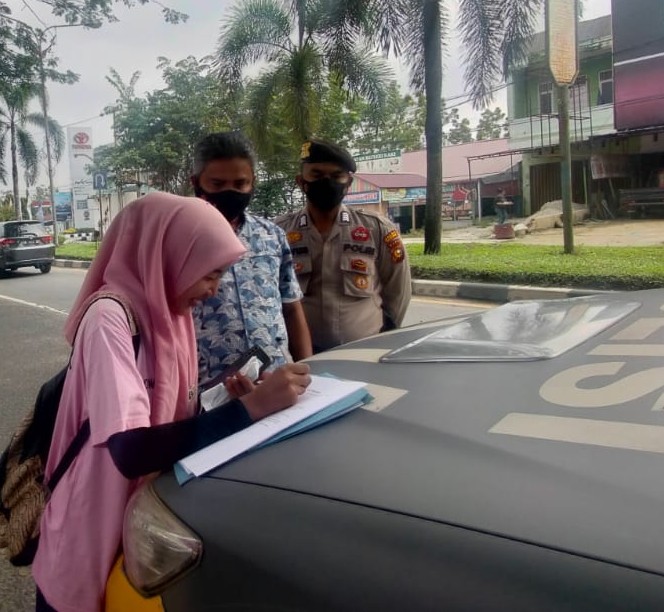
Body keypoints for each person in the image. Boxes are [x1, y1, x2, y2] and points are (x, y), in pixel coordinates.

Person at [32, 193, 312, 612]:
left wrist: (229, 406)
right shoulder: (109, 318)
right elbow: (131, 449)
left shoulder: (171, 316)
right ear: (169, 255)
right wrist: (250, 411)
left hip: (142, 521)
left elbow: (168, 419)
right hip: (93, 524)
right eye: (210, 274)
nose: (214, 291)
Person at [189, 132, 312, 386]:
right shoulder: (178, 239)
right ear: (196, 182)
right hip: (209, 387)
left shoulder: (271, 235)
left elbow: (291, 307)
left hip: (278, 380)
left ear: (253, 182)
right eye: (218, 184)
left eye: (240, 183)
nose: (230, 192)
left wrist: (310, 370)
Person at [275, 139, 411, 353]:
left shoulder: (377, 228)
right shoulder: (279, 232)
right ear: (301, 181)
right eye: (317, 175)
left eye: (337, 176)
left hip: (365, 350)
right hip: (303, 357)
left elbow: (398, 291)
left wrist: (388, 336)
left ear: (348, 183)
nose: (327, 182)